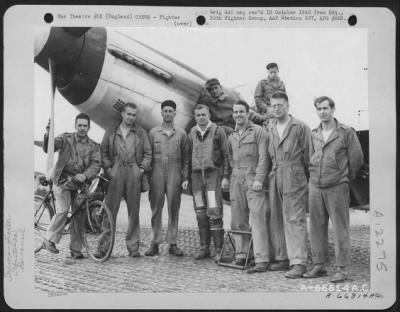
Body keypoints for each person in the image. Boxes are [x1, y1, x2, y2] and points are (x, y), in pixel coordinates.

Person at [303, 96, 364, 283]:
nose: (322, 112)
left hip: (337, 185)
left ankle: (342, 269)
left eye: (325, 108)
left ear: (333, 109)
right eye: (319, 109)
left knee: (340, 229)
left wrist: (344, 176)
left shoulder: (345, 132)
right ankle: (319, 265)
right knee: (316, 228)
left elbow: (357, 158)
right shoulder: (313, 133)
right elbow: (308, 158)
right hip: (315, 186)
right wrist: (313, 175)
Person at [42, 113, 101, 258]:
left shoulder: (94, 146)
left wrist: (85, 175)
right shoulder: (66, 139)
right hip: (62, 181)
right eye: (79, 125)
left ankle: (76, 250)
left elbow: (96, 164)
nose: (82, 128)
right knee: (63, 209)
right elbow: (50, 147)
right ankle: (48, 240)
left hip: (80, 184)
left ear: (89, 128)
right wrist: (48, 136)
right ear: (75, 126)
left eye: (85, 126)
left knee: (79, 215)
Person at [96, 102, 152, 258]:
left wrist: (141, 169)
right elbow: (104, 151)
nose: (131, 117)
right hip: (116, 171)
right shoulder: (111, 131)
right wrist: (108, 169)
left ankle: (133, 247)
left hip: (134, 171)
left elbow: (148, 153)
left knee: (134, 212)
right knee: (109, 211)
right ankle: (103, 247)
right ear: (122, 114)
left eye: (134, 115)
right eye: (129, 114)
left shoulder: (140, 132)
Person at [267, 91, 310, 278]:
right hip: (276, 174)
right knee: (277, 217)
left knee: (295, 219)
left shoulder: (300, 126)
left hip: (294, 174)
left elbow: (310, 156)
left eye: (280, 105)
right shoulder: (271, 126)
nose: (276, 109)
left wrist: (307, 180)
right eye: (273, 105)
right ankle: (284, 257)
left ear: (287, 106)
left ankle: (299, 262)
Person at [227, 100, 272, 274]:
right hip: (236, 179)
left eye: (241, 112)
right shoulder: (232, 136)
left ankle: (262, 259)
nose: (238, 115)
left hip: (254, 179)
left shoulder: (259, 132)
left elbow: (263, 158)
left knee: (258, 218)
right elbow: (230, 157)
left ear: (248, 113)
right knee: (238, 219)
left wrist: (259, 178)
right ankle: (242, 254)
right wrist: (234, 172)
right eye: (235, 112)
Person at [183, 104, 229, 263]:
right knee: (201, 212)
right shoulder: (192, 133)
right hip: (197, 179)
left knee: (214, 211)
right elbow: (187, 158)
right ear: (194, 116)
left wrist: (225, 176)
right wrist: (185, 178)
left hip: (212, 177)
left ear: (209, 114)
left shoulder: (218, 131)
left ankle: (218, 249)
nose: (201, 118)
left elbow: (226, 155)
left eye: (203, 114)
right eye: (198, 115)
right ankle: (204, 247)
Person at [145, 100, 189, 257]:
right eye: (165, 111)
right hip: (156, 173)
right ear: (161, 113)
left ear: (175, 113)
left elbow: (186, 159)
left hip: (174, 172)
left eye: (171, 111)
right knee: (156, 208)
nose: (168, 113)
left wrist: (185, 177)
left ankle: (172, 243)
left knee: (173, 208)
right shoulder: (153, 133)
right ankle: (155, 243)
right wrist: (147, 177)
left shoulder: (182, 134)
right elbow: (148, 156)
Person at [197, 78, 266, 137]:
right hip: (217, 130)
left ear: (220, 88)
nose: (214, 91)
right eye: (211, 90)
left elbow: (247, 113)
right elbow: (198, 111)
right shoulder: (207, 102)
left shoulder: (230, 100)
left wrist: (263, 118)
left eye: (216, 88)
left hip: (231, 129)